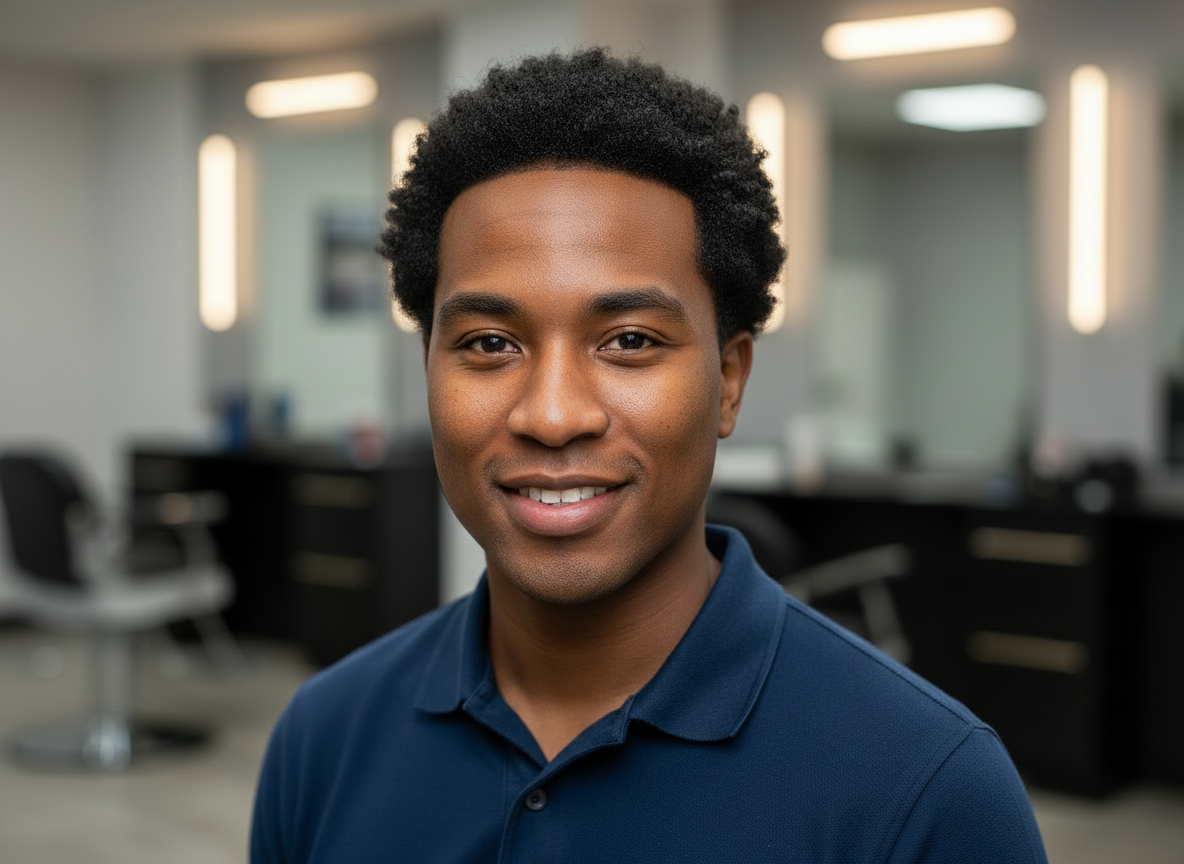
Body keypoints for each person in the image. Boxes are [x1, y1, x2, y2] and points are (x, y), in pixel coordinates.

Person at [250, 48, 1048, 863]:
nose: (552, 415)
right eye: (489, 343)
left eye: (629, 341)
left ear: (729, 381)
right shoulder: (323, 740)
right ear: (428, 369)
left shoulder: (926, 789)